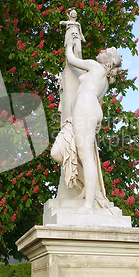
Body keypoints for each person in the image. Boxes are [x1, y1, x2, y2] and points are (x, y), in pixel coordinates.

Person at [51, 46, 122, 211]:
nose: (101, 51)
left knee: (85, 155)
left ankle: (89, 204)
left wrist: (69, 42)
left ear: (109, 63)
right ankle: (90, 189)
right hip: (86, 109)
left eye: (104, 52)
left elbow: (72, 58)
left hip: (85, 107)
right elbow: (99, 103)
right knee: (58, 152)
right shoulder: (104, 81)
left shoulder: (96, 66)